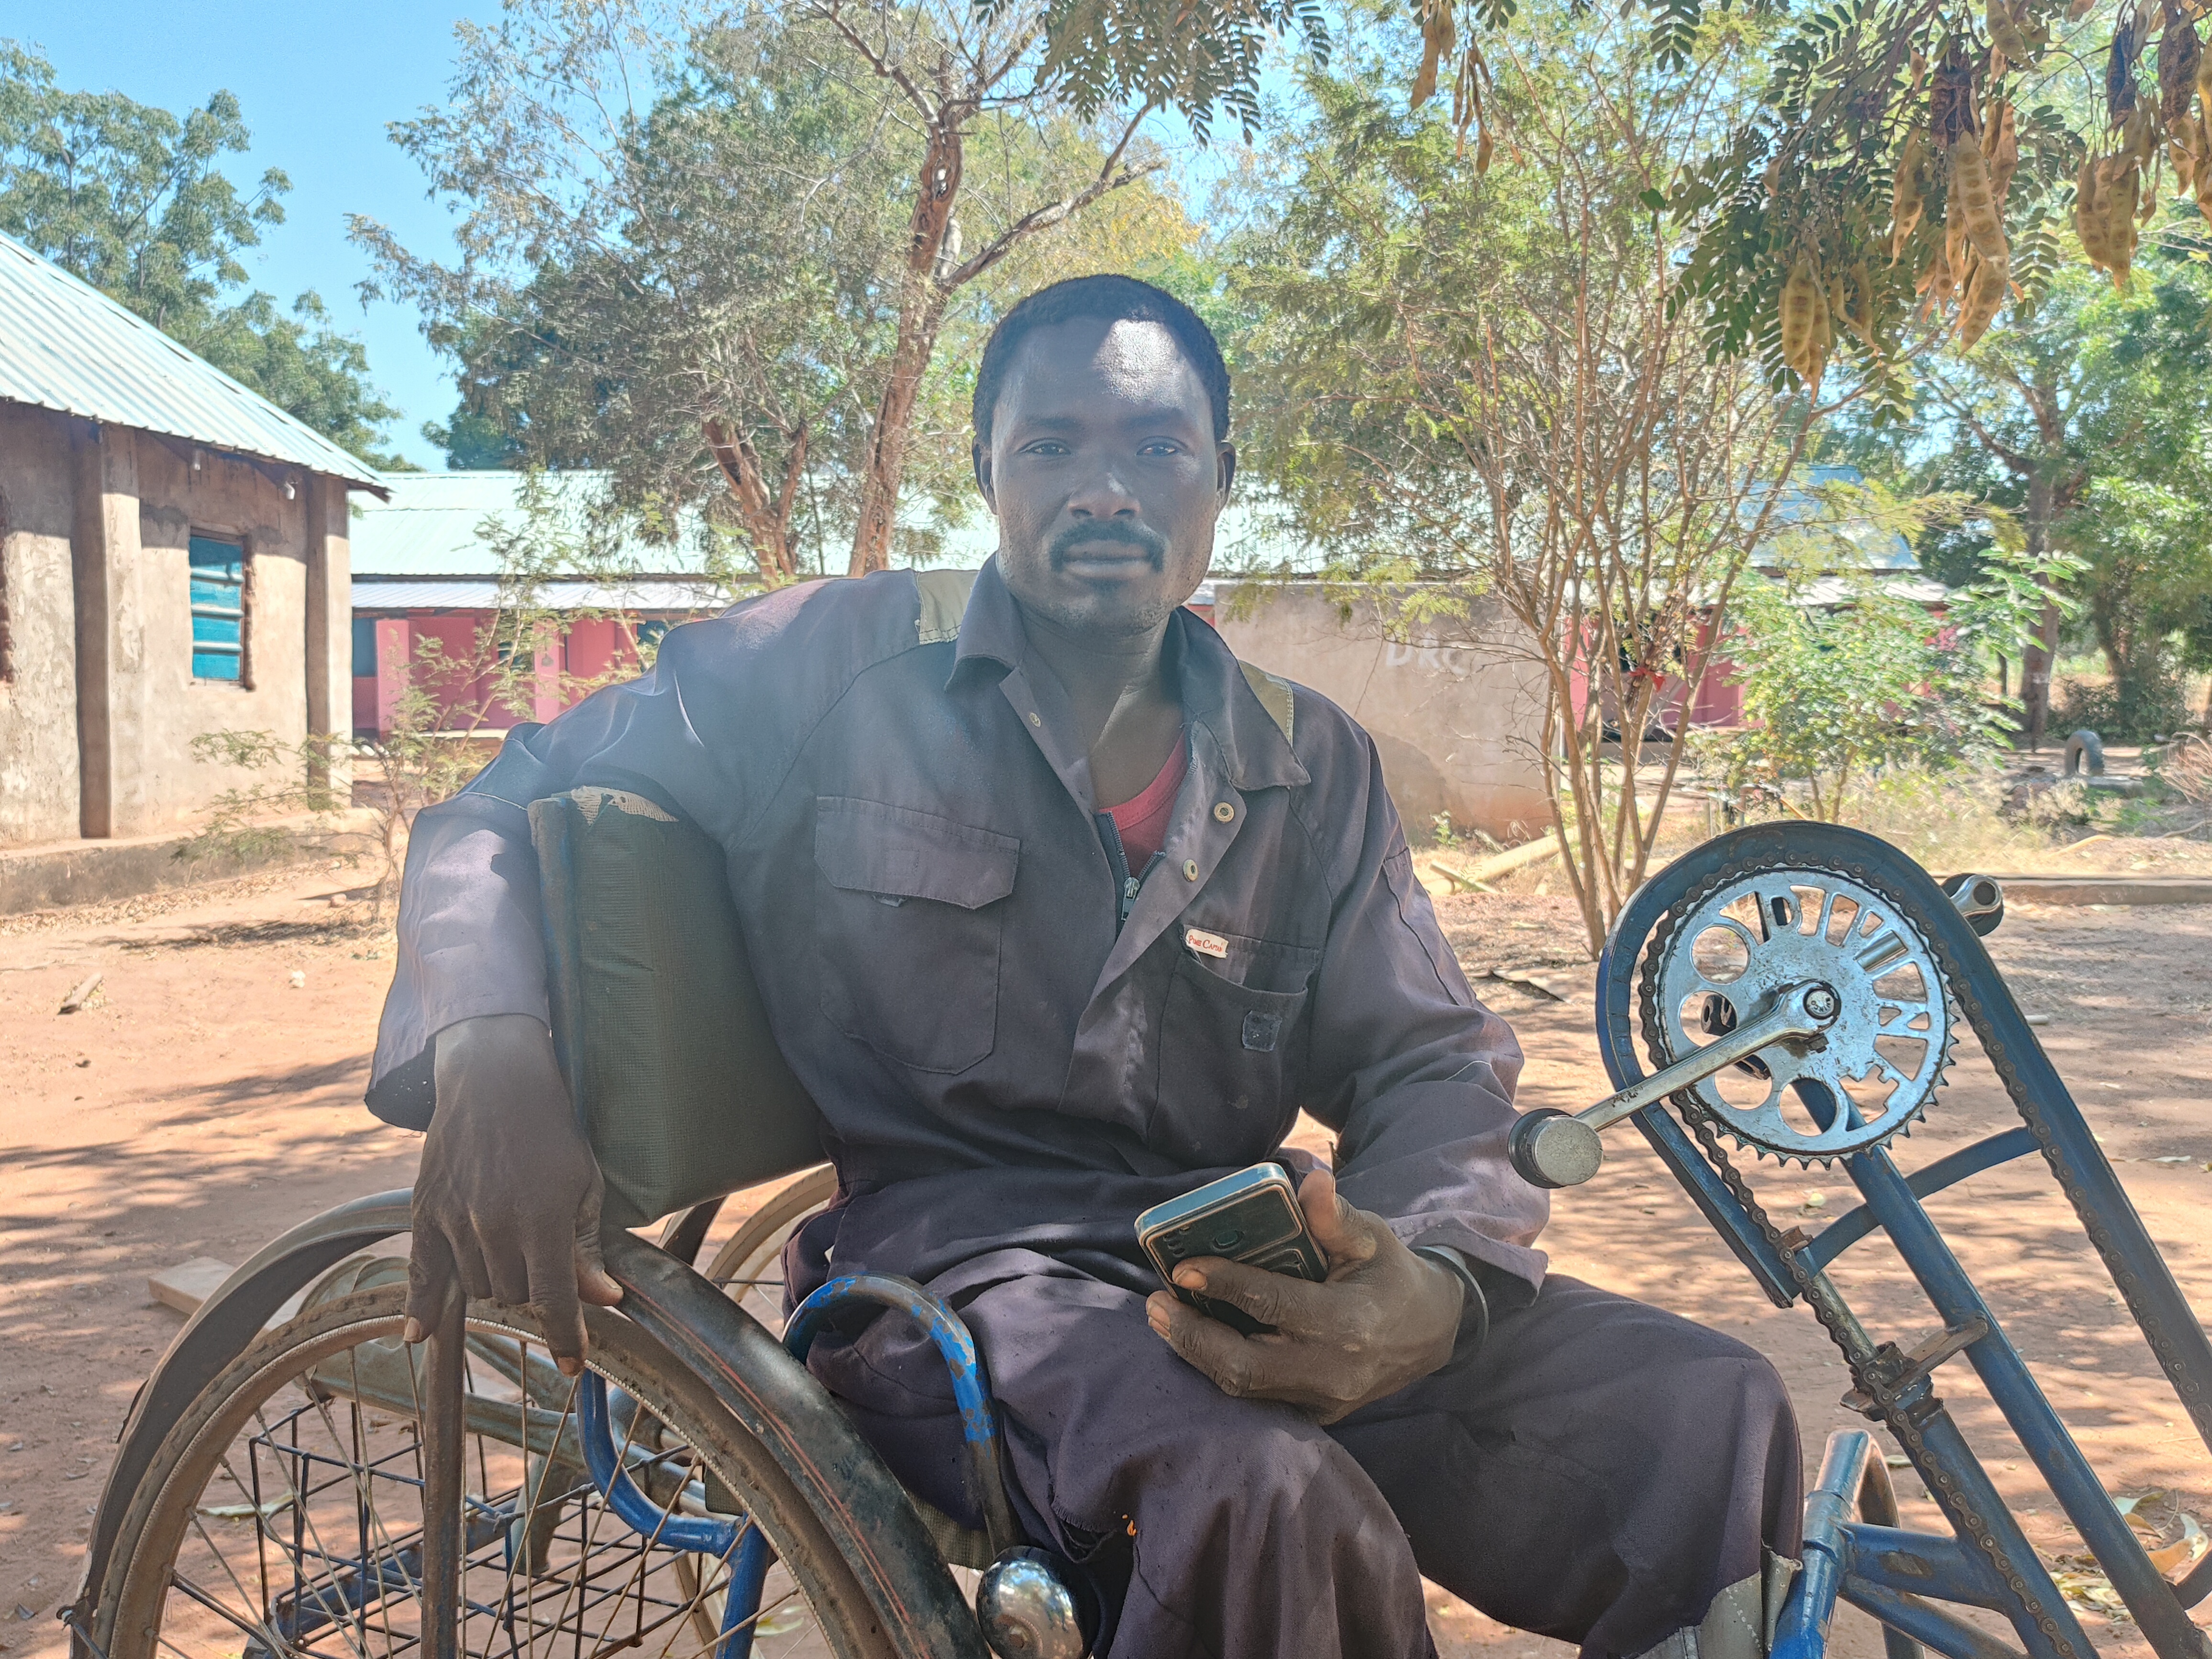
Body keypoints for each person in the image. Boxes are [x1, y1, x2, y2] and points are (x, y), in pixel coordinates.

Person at [369, 274, 1802, 1659]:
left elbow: (1429, 1055)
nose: (1104, 488)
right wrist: (491, 1050)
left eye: (1157, 447)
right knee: (1268, 1500)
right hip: (942, 1282)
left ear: (1221, 477)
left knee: (1706, 1420)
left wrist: (1427, 1277)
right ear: (987, 469)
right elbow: (500, 800)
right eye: (1052, 444)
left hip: (1232, 1263)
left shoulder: (1311, 760)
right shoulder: (831, 666)